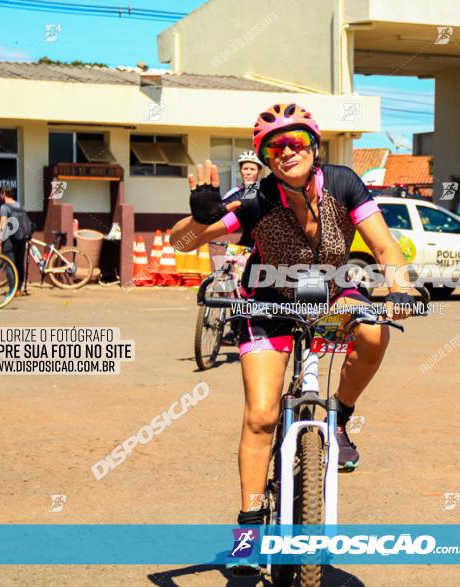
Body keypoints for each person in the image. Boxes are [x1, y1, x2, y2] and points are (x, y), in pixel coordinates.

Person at [171, 102, 414, 537]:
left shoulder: (344, 182)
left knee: (375, 330)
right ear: (265, 159)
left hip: (333, 293)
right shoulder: (256, 197)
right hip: (268, 303)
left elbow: (384, 246)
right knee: (261, 415)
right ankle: (248, 526)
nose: (286, 151)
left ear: (314, 146)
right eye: (274, 147)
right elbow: (184, 243)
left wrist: (398, 287)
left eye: (295, 141)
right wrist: (200, 217)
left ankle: (338, 419)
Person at [0, 187, 28, 294]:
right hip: (21, 239)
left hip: (9, 240)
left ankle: (12, 289)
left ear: (4, 194)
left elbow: (3, 223)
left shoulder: (4, 207)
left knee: (9, 264)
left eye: (1, 193)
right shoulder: (20, 206)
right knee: (19, 264)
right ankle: (18, 289)